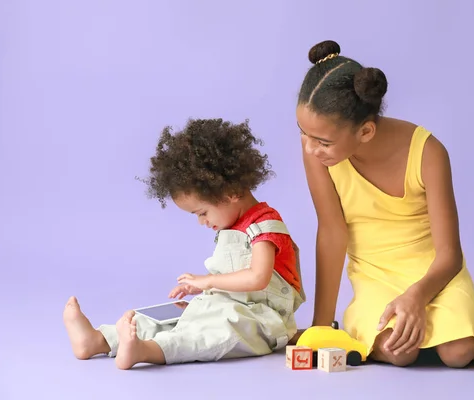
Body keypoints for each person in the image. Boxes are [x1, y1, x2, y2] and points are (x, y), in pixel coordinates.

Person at [294, 40, 474, 368]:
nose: (310, 148)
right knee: (400, 351)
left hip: (433, 273)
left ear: (365, 131)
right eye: (304, 134)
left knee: (459, 352)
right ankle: (389, 325)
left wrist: (418, 295)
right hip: (374, 275)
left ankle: (462, 320)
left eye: (322, 141)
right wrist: (321, 326)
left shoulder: (429, 153)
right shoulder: (319, 153)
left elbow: (450, 254)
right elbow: (331, 232)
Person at [63, 118, 306, 369]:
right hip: (225, 303)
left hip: (262, 318)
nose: (202, 221)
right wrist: (202, 290)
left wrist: (208, 281)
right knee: (176, 316)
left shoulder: (264, 224)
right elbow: (233, 281)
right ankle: (97, 340)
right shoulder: (231, 224)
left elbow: (258, 278)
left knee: (213, 331)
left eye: (202, 212)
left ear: (231, 191)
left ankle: (143, 350)